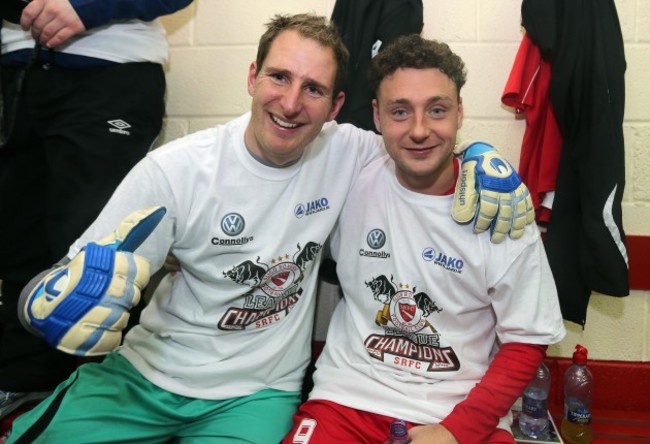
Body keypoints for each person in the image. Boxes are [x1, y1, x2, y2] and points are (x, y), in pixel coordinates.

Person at [9, 14, 532, 443]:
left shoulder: (346, 151)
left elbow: (420, 142)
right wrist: (46, 302)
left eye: (313, 89)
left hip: (255, 394)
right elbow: (82, 273)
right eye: (279, 77)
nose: (290, 102)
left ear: (336, 108)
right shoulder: (177, 169)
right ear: (252, 76)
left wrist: (482, 158)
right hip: (143, 377)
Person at [282, 34, 565, 444]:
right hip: (347, 401)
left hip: (458, 411)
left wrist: (457, 429)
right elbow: (269, 140)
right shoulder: (349, 169)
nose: (419, 130)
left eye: (437, 110)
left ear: (460, 113)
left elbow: (527, 340)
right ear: (376, 116)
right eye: (400, 111)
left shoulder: (499, 205)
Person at [0, 0, 193, 419]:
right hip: (16, 72)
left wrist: (85, 6)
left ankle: (104, 396)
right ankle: (21, 378)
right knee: (17, 240)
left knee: (98, 257)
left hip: (109, 67)